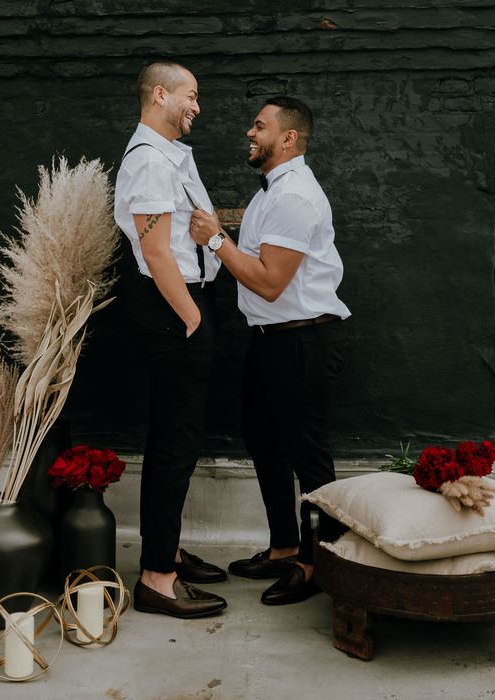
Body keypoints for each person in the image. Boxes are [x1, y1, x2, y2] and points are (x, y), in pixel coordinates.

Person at [189, 96, 351, 605]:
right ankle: (284, 546)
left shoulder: (296, 196)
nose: (249, 133)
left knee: (308, 457)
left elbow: (270, 282)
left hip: (301, 340)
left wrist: (216, 241)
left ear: (288, 139)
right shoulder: (271, 192)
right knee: (264, 444)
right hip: (269, 342)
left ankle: (315, 561)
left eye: (259, 127)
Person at [114, 62, 227, 618]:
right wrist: (194, 318)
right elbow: (157, 251)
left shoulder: (168, 156)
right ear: (160, 94)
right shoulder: (150, 162)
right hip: (172, 309)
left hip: (177, 305)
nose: (197, 106)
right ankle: (158, 579)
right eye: (191, 95)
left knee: (172, 440)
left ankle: (169, 552)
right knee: (175, 443)